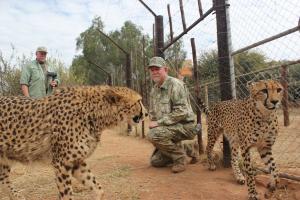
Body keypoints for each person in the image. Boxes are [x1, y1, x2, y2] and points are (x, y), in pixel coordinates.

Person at [147, 56, 199, 173]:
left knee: (153, 135)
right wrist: (156, 123)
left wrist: (159, 123)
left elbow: (182, 111)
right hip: (169, 128)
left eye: (157, 69)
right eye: (152, 69)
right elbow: (153, 113)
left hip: (186, 126)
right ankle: (190, 149)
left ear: (165, 69)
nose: (154, 72)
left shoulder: (175, 84)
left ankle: (180, 158)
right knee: (155, 162)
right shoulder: (154, 90)